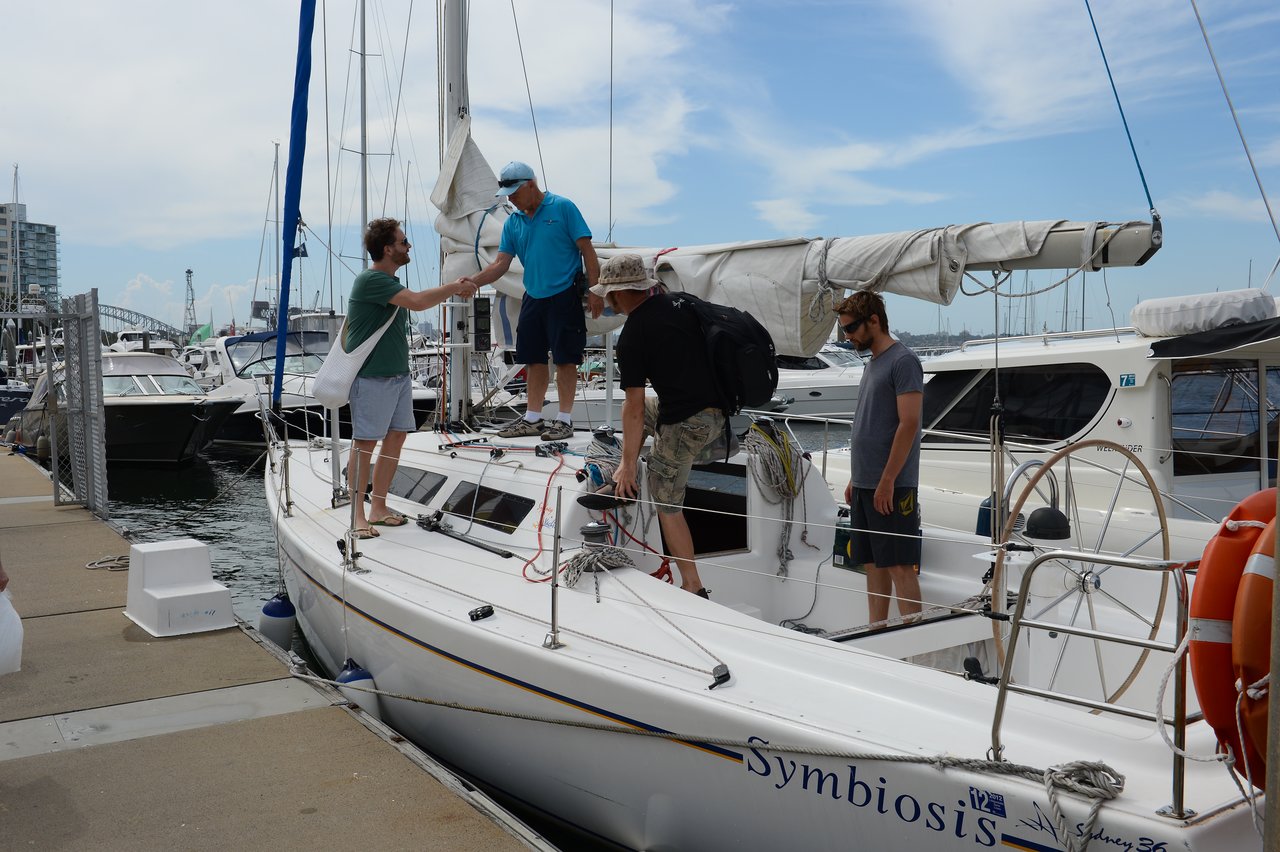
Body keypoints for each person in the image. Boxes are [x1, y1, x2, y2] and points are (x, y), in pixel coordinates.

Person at [589, 254, 719, 597]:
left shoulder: (634, 334)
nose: (605, 299)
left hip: (689, 421)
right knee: (649, 409)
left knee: (666, 498)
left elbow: (631, 406)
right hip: (717, 411)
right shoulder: (681, 303)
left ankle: (694, 585)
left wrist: (631, 463)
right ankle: (623, 479)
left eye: (607, 294)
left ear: (619, 293)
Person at [345, 218, 477, 539]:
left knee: (395, 438)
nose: (409, 247)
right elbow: (418, 303)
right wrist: (454, 287)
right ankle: (356, 515)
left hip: (399, 376)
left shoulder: (390, 284)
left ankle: (379, 507)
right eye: (404, 242)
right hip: (372, 377)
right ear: (388, 249)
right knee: (365, 443)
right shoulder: (372, 280)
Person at [463, 161, 602, 441]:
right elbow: (501, 263)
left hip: (564, 294)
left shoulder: (563, 207)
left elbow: (587, 250)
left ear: (530, 185)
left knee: (566, 360)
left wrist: (596, 290)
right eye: (507, 194)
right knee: (533, 359)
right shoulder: (513, 223)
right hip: (533, 297)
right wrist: (473, 281)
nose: (510, 199)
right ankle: (532, 419)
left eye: (514, 192)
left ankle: (564, 420)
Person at [837, 291, 924, 624]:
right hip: (865, 483)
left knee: (900, 564)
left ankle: (913, 643)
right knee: (872, 563)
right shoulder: (873, 363)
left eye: (852, 328)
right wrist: (855, 478)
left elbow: (909, 423)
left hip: (893, 484)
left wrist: (887, 480)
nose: (848, 336)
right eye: (844, 329)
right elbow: (871, 423)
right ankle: (877, 633)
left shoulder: (903, 361)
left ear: (874, 320)